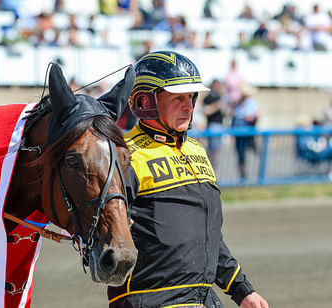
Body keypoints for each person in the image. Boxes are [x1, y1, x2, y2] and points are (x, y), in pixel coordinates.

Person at [107, 51, 268, 308]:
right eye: (177, 98)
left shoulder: (197, 150)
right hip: (151, 299)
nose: (189, 106)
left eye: (192, 97)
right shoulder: (123, 155)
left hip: (201, 300)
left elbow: (209, 234)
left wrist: (241, 289)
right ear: (146, 101)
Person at [229, 83, 260, 180]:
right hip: (238, 133)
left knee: (254, 152)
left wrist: (251, 118)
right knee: (241, 155)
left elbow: (257, 115)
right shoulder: (236, 104)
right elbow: (232, 116)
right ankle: (243, 175)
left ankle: (257, 173)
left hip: (248, 132)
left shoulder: (252, 103)